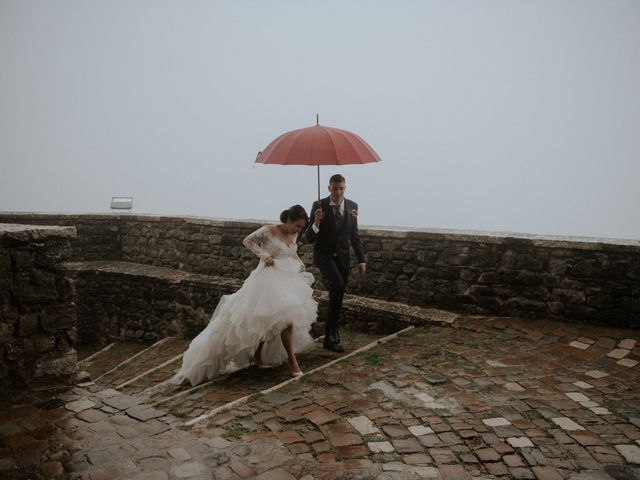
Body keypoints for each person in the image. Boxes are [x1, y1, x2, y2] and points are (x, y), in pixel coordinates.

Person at [171, 205, 317, 386]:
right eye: (297, 226)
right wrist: (264, 255)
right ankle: (292, 361)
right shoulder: (268, 230)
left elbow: (291, 251)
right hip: (267, 280)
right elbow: (248, 241)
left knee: (276, 321)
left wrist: (300, 262)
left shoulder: (294, 234)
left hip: (286, 279)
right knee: (281, 322)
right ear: (289, 220)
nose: (299, 230)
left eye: (301, 227)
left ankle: (259, 354)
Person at [307, 174, 366, 353]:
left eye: (341, 188)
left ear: (345, 188)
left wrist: (361, 259)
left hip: (343, 256)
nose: (338, 192)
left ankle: (331, 334)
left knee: (338, 294)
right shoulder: (318, 206)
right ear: (329, 188)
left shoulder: (352, 207)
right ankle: (330, 334)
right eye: (334, 188)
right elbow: (310, 238)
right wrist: (316, 222)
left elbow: (354, 235)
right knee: (338, 284)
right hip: (324, 255)